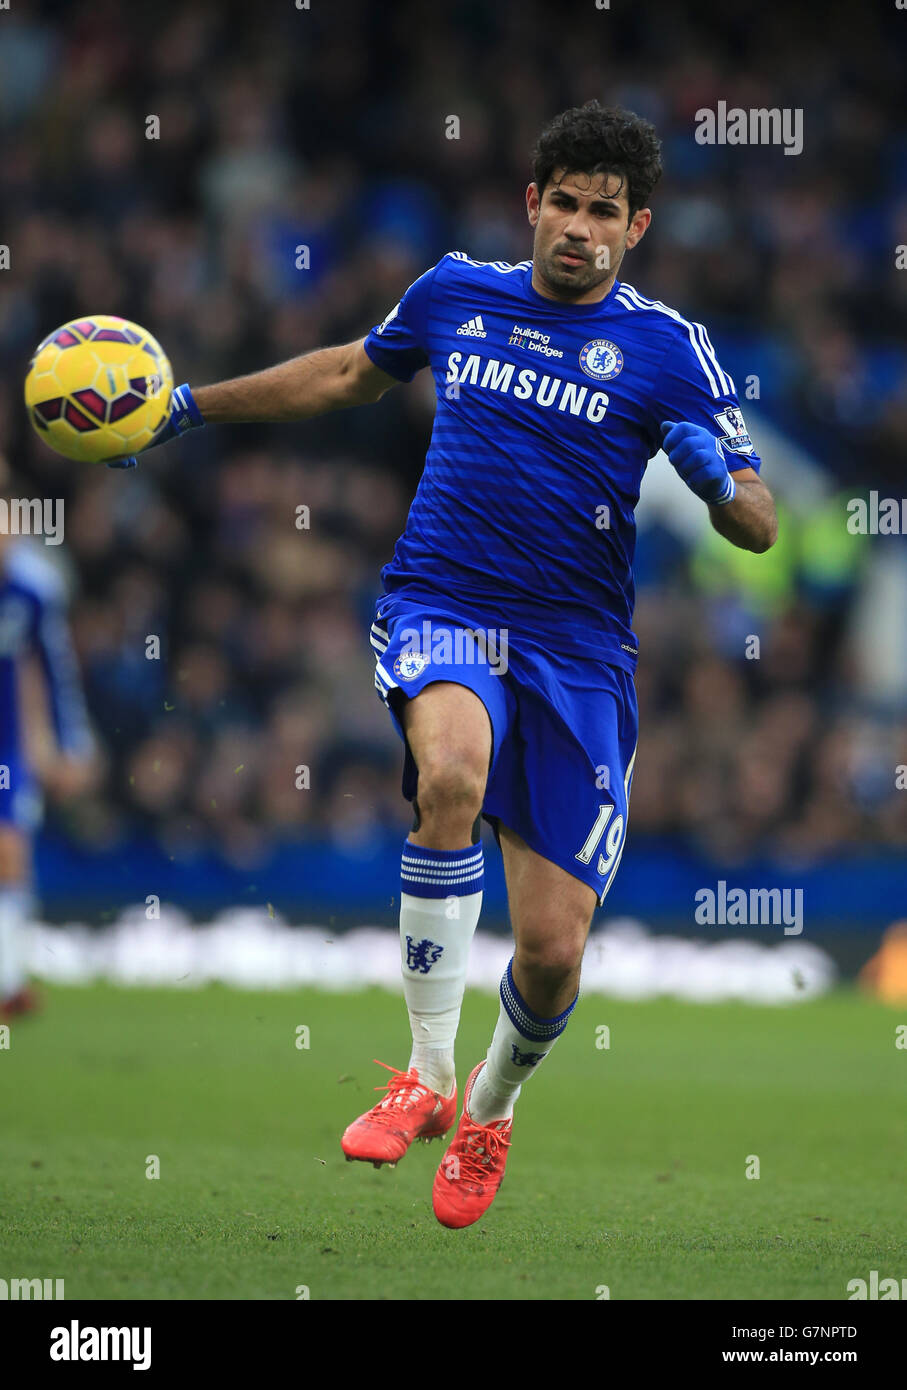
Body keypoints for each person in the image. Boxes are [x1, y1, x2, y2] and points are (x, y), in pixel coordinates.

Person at [110, 101, 777, 1228]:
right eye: (561, 202)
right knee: (451, 775)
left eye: (603, 212)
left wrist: (719, 480)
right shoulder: (454, 293)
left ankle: (487, 1110)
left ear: (637, 227)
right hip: (446, 603)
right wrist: (183, 407)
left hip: (577, 652)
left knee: (556, 954)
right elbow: (341, 374)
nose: (578, 227)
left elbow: (758, 524)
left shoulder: (668, 350)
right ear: (532, 203)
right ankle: (422, 1068)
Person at [0, 457, 96, 1019]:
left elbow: (53, 671)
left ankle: (10, 983)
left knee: (10, 852)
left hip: (7, 743)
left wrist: (70, 744)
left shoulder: (32, 591)